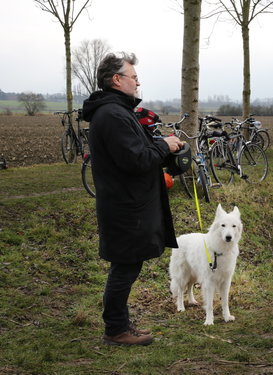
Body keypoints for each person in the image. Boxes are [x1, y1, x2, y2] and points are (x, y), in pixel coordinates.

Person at [82, 52, 184, 346]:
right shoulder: (113, 115)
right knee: (125, 266)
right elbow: (136, 160)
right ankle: (115, 330)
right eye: (133, 76)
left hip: (128, 203)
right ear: (117, 79)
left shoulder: (116, 112)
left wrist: (159, 144)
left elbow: (134, 149)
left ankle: (120, 323)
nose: (138, 83)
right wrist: (163, 145)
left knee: (127, 265)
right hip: (126, 206)